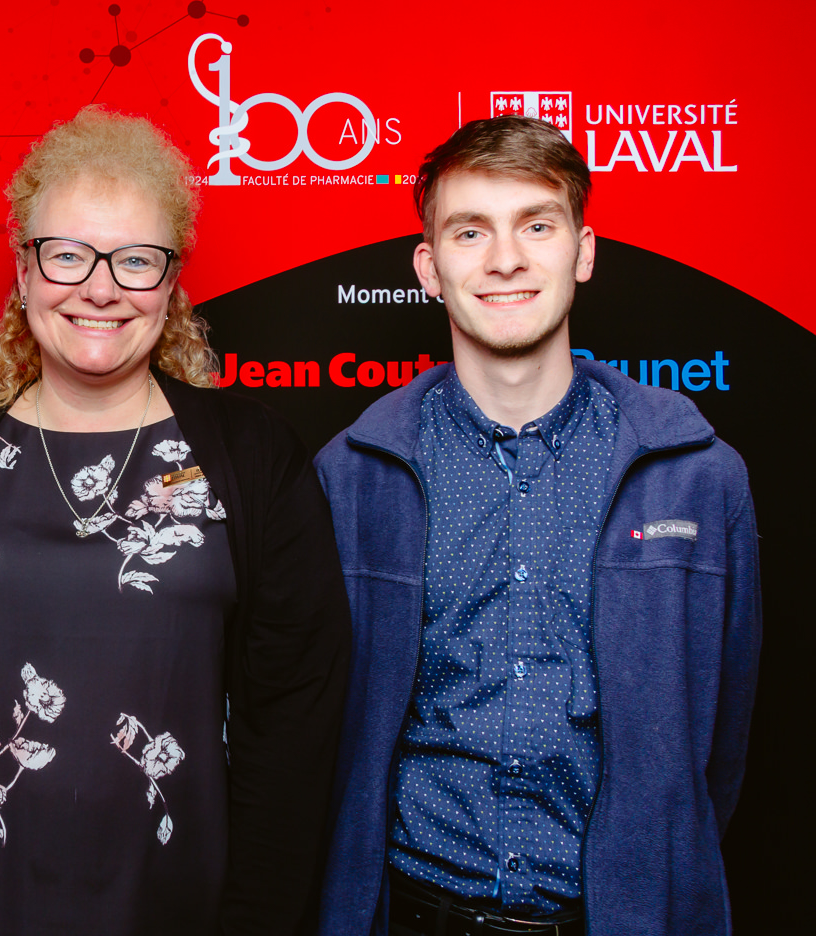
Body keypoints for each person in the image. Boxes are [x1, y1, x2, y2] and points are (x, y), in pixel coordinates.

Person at [0, 106, 350, 936]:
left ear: (170, 283)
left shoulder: (254, 459)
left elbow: (296, 727)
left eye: (135, 260)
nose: (100, 288)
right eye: (68, 255)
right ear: (24, 272)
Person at [314, 116, 761, 936]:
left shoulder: (698, 475)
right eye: (470, 231)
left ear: (583, 252)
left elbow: (721, 744)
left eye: (537, 225)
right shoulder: (351, 476)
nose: (505, 259)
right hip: (411, 915)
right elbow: (313, 731)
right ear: (429, 267)